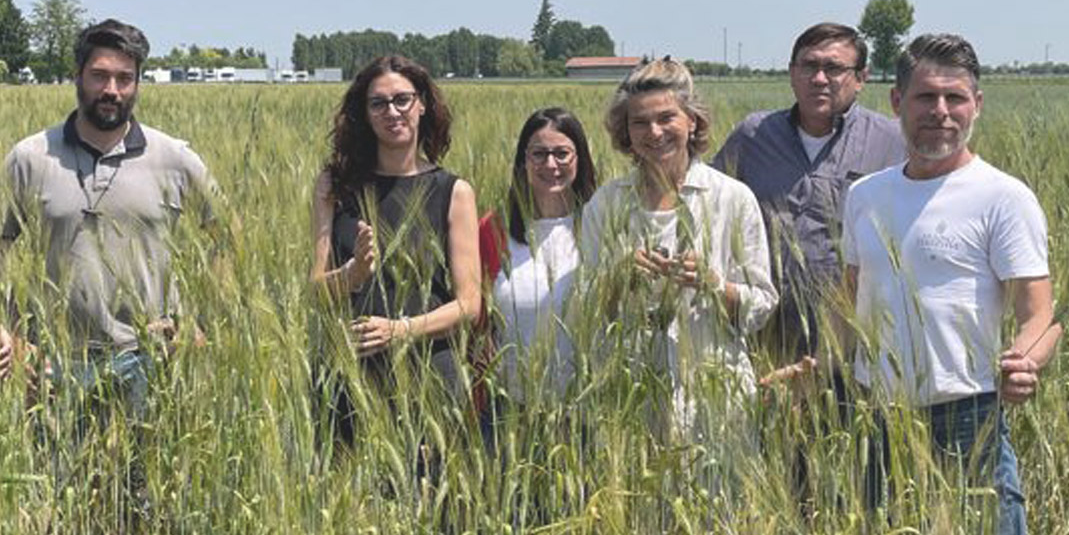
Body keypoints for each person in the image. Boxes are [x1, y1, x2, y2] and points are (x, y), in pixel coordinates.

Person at [842, 33, 1069, 535]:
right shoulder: (866, 196)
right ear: (896, 104)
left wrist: (1027, 359)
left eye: (954, 98)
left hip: (968, 421)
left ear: (977, 104)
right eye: (925, 97)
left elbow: (1042, 313)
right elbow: (850, 301)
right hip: (879, 422)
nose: (939, 111)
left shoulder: (1002, 197)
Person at [0, 17, 221, 404]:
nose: (112, 90)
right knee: (56, 466)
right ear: (77, 77)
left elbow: (228, 242)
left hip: (151, 359)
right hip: (55, 363)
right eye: (99, 76)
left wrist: (198, 323)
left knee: (147, 466)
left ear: (138, 83)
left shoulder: (175, 159)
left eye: (124, 78)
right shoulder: (30, 157)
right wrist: (15, 336)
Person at [581, 57, 777, 436]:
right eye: (639, 122)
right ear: (625, 130)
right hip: (629, 400)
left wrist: (714, 284)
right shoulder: (606, 205)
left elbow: (761, 307)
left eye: (666, 117)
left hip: (716, 402)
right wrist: (618, 279)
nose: (654, 132)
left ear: (692, 121)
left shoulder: (732, 199)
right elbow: (585, 312)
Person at [309, 54, 481, 447]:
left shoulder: (453, 192)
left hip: (429, 376)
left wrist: (399, 330)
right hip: (350, 372)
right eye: (378, 103)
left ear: (422, 104)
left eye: (402, 99)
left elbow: (469, 303)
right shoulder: (335, 186)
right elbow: (315, 289)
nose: (392, 111)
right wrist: (351, 275)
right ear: (365, 114)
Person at [712, 22, 904, 361]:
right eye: (809, 66)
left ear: (861, 78)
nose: (819, 79)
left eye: (833, 68)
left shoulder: (891, 143)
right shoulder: (753, 136)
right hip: (763, 334)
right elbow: (709, 206)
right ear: (791, 73)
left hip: (854, 341)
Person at [477, 107, 598, 404]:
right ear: (523, 161)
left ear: (579, 159)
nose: (550, 164)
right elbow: (473, 314)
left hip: (587, 406)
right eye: (539, 154)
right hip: (506, 408)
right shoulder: (493, 229)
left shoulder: (602, 226)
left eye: (562, 153)